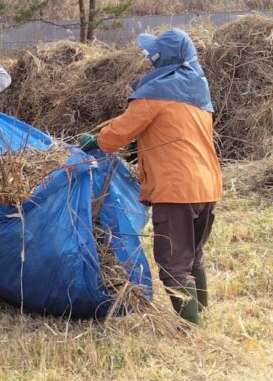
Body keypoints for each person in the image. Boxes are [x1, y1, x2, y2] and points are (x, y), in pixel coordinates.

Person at [78, 28, 221, 324]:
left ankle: (189, 330)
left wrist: (95, 140)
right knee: (193, 255)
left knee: (173, 264)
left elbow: (117, 135)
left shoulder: (154, 94)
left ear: (164, 58)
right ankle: (202, 318)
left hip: (176, 189)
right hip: (207, 185)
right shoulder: (197, 92)